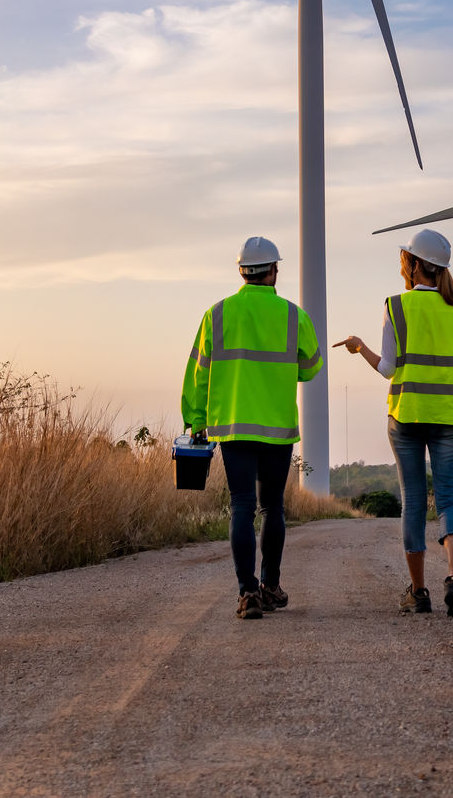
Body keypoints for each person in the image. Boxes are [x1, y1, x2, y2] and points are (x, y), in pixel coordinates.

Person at [338, 227, 453, 616]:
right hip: (451, 417)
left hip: (406, 416)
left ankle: (419, 592)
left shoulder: (396, 306)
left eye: (405, 259)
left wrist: (360, 349)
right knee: (449, 499)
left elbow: (388, 368)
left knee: (412, 503)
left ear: (416, 265)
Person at [181, 235, 323, 620]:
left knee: (241, 506)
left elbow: (198, 372)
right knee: (272, 506)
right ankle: (270, 585)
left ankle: (247, 593)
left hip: (232, 427)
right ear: (274, 271)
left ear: (242, 271)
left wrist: (195, 420)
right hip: (276, 427)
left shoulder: (218, 314)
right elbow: (311, 369)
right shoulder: (295, 316)